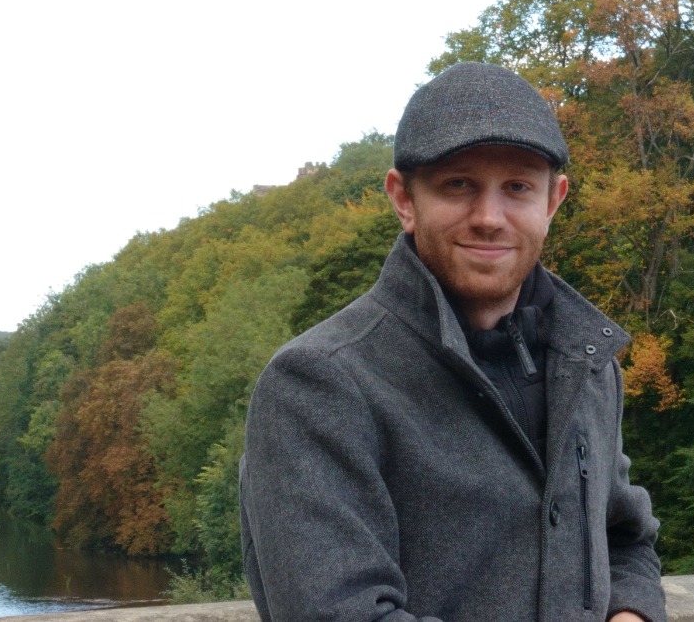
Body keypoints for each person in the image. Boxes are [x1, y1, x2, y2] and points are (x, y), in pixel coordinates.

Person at [240, 62, 666, 622]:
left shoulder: (586, 364)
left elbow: (625, 541)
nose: (489, 218)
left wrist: (631, 614)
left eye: (517, 187)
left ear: (553, 201)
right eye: (458, 185)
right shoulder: (318, 384)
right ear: (404, 199)